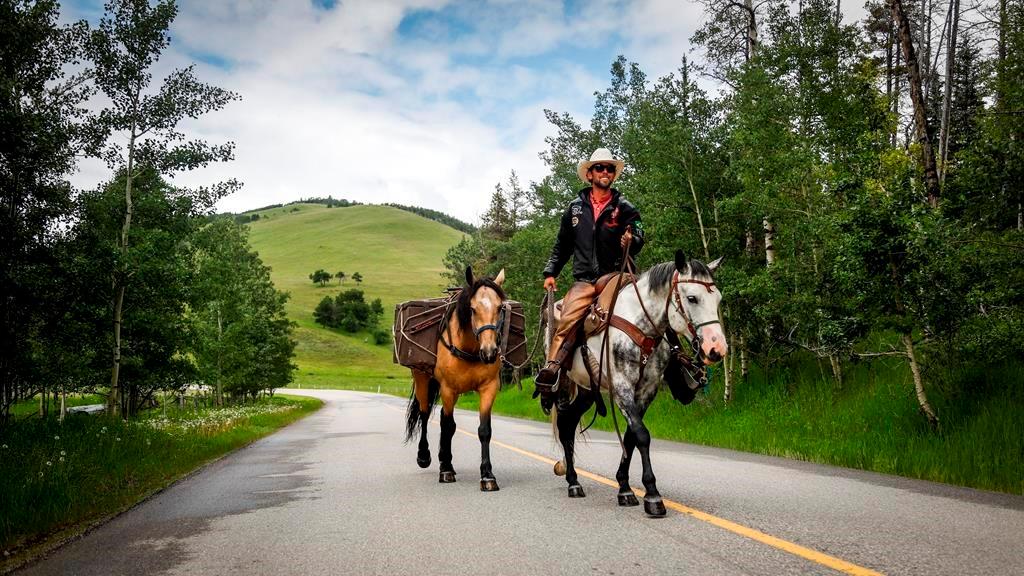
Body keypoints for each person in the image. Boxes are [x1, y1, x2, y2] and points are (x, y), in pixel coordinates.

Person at [534, 148, 644, 395]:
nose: (605, 172)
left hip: (615, 275)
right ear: (589, 174)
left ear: (614, 175)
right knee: (569, 318)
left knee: (641, 309)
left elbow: (639, 234)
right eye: (600, 168)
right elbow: (562, 244)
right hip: (583, 280)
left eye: (610, 168)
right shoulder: (574, 209)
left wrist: (632, 241)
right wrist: (550, 272)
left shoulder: (625, 207)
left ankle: (676, 365)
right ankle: (552, 368)